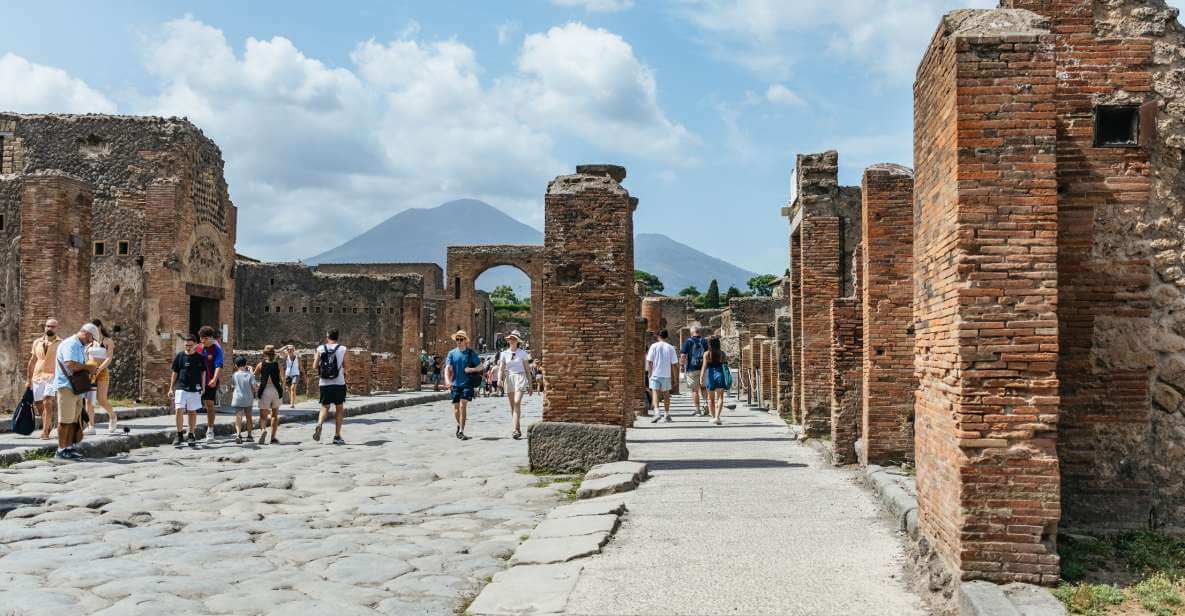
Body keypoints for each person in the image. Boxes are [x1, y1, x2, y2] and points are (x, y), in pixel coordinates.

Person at [52, 323, 99, 459]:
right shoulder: (71, 344)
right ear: (87, 334)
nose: (91, 342)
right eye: (91, 339)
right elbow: (70, 364)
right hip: (66, 386)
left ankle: (69, 447)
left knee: (73, 420)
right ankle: (61, 449)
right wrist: (88, 367)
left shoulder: (80, 346)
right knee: (65, 420)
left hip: (76, 388)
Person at [25, 317, 61, 440]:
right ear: (45, 327)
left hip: (52, 375)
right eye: (48, 326)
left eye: (52, 326)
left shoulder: (60, 343)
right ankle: (48, 424)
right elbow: (32, 361)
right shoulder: (37, 342)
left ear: (57, 328)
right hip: (37, 376)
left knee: (47, 401)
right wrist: (28, 380)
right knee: (38, 403)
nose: (49, 328)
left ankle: (45, 431)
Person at [444, 330, 483, 441]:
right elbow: (447, 368)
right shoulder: (451, 353)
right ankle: (459, 424)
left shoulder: (471, 353)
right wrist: (447, 380)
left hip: (467, 383)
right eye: (457, 339)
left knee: (462, 406)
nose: (459, 341)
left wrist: (471, 369)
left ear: (466, 341)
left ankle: (461, 431)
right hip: (455, 384)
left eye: (461, 339)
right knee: (456, 408)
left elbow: (481, 366)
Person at [496, 330, 533, 440]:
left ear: (517, 341)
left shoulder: (523, 353)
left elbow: (527, 370)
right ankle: (517, 428)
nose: (512, 340)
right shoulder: (504, 353)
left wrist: (530, 385)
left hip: (520, 377)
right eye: (510, 338)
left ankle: (515, 430)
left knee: (517, 402)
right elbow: (501, 368)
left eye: (514, 339)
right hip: (509, 378)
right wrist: (499, 379)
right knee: (513, 406)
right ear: (508, 340)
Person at [312, 330, 347, 445]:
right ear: (338, 337)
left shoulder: (320, 348)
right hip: (339, 382)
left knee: (325, 406)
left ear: (327, 337)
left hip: (324, 383)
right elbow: (346, 366)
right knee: (339, 408)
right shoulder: (343, 349)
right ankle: (337, 436)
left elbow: (314, 366)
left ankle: (319, 424)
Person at [171, 335, 205, 448]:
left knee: (192, 411)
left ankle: (191, 434)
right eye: (186, 345)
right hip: (181, 387)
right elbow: (175, 372)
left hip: (195, 388)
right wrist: (171, 388)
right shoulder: (180, 356)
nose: (188, 347)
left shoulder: (200, 357)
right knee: (178, 409)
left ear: (195, 344)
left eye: (190, 345)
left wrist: (203, 387)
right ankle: (179, 434)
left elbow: (203, 373)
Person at [83, 319, 117, 434]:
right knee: (88, 400)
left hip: (102, 372)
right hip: (90, 372)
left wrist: (99, 369)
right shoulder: (89, 342)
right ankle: (91, 426)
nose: (92, 331)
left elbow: (109, 358)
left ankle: (112, 416)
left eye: (94, 329)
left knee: (101, 400)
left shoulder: (107, 341)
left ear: (100, 327)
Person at [197, 325, 224, 444]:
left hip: (210, 381)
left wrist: (214, 379)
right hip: (198, 381)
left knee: (209, 405)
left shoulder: (217, 350)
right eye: (201, 339)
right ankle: (191, 430)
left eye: (204, 339)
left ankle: (210, 430)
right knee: (191, 406)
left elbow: (219, 366)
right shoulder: (199, 348)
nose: (202, 341)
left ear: (210, 338)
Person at [646, 329, 678, 423]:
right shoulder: (670, 347)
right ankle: (667, 414)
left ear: (658, 336)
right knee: (666, 394)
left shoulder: (653, 346)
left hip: (655, 373)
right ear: (666, 336)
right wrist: (675, 377)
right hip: (666, 374)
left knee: (655, 393)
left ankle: (657, 412)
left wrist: (649, 373)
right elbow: (674, 364)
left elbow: (650, 361)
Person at [256, 345, 285, 445]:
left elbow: (254, 376)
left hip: (265, 390)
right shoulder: (278, 365)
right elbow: (282, 379)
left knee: (263, 416)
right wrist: (282, 388)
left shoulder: (260, 365)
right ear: (274, 354)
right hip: (276, 390)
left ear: (264, 353)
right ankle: (273, 437)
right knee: (274, 415)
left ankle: (263, 430)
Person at [680, 326, 709, 417]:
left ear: (691, 333)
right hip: (703, 368)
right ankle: (705, 404)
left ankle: (698, 410)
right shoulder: (704, 341)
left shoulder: (688, 341)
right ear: (699, 332)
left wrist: (681, 366)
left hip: (691, 369)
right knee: (704, 388)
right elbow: (708, 354)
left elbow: (683, 355)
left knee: (694, 390)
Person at [700, 336, 729, 425]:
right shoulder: (722, 353)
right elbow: (725, 365)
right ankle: (717, 417)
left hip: (710, 375)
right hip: (720, 374)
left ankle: (713, 417)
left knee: (710, 398)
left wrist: (701, 377)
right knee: (720, 397)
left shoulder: (706, 354)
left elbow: (704, 367)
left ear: (710, 344)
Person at [230, 355, 257, 445]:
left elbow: (233, 385)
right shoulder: (249, 375)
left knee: (238, 417)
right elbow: (254, 386)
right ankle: (249, 435)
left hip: (237, 398)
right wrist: (252, 372)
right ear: (246, 364)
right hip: (248, 398)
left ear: (236, 365)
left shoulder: (234, 375)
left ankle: (238, 435)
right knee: (249, 417)